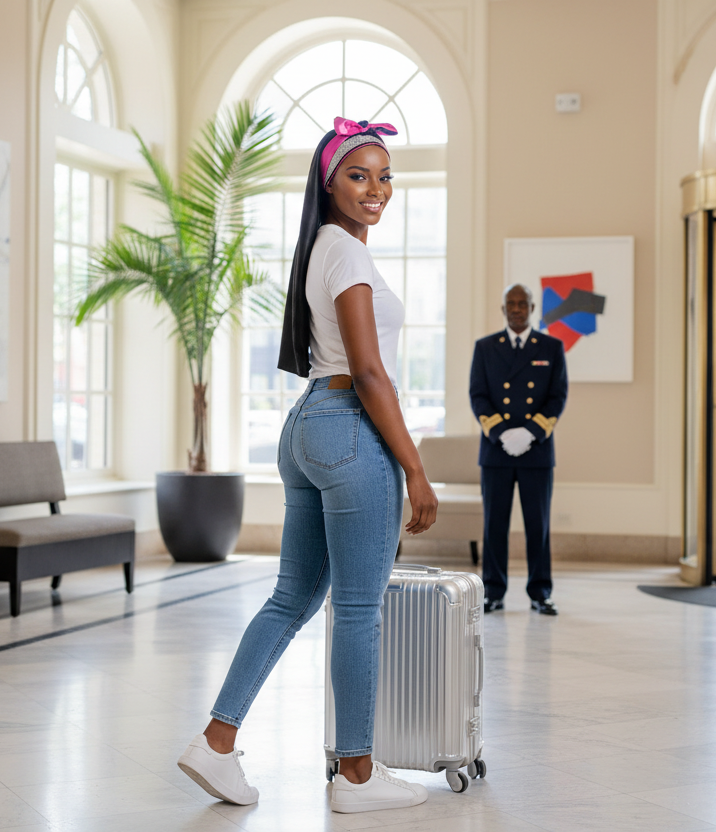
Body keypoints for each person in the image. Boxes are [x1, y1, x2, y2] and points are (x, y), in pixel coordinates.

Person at [176, 117, 439, 814]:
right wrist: (415, 468)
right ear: (328, 184)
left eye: (386, 177)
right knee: (358, 609)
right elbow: (370, 372)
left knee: (292, 598)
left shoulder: (325, 247)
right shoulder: (347, 256)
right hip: (349, 425)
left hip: (308, 426)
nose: (376, 189)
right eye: (359, 175)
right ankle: (356, 775)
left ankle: (216, 741)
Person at [469, 283, 568, 616]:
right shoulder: (485, 348)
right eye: (510, 303)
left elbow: (557, 397)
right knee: (494, 525)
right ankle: (493, 592)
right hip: (496, 451)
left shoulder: (551, 347)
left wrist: (530, 433)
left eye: (522, 303)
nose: (516, 308)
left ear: (532, 308)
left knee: (537, 526)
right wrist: (501, 433)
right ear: (503, 310)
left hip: (536, 451)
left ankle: (541, 592)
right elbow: (478, 395)